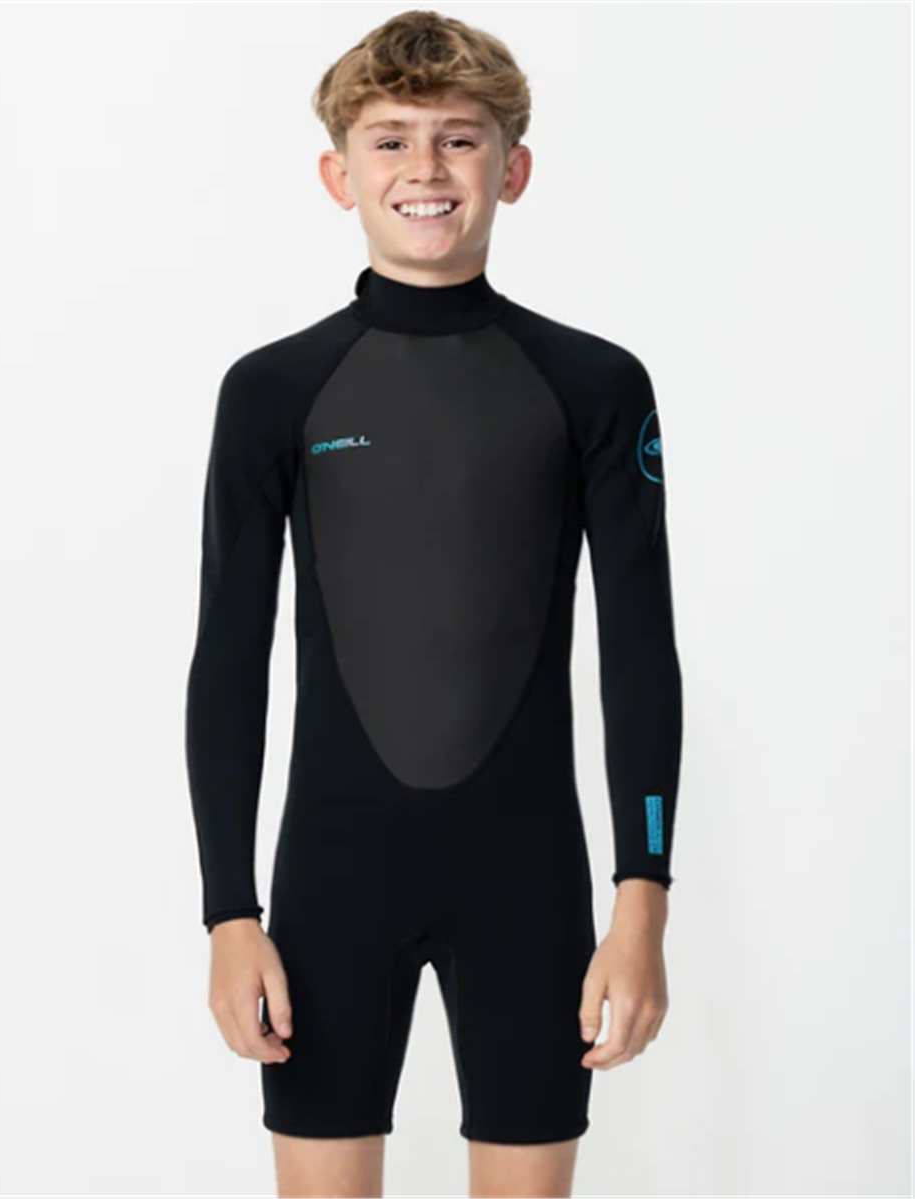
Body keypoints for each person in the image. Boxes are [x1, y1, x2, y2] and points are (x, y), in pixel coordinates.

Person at [184, 10, 683, 1197]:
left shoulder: (593, 384)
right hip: (330, 878)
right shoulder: (272, 390)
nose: (425, 167)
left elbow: (639, 651)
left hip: (527, 881)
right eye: (390, 139)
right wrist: (227, 911)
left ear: (512, 168)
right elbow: (228, 659)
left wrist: (641, 906)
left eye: (458, 139)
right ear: (338, 174)